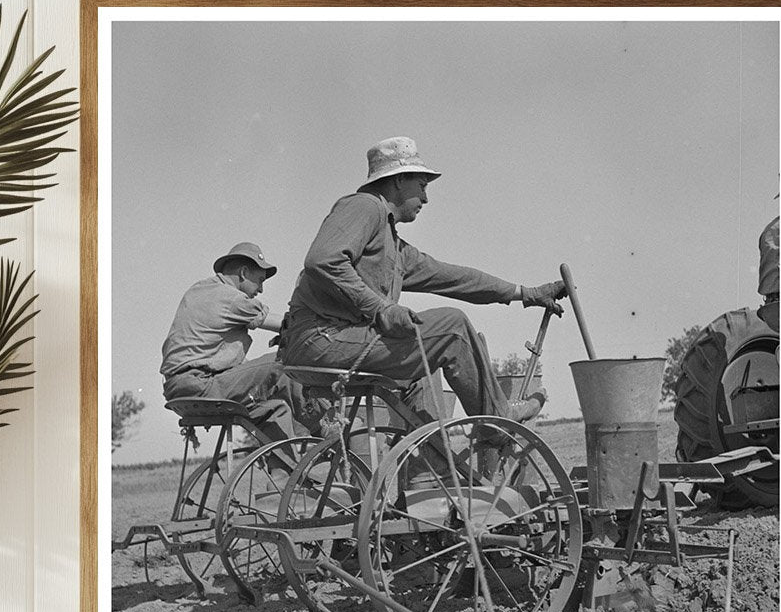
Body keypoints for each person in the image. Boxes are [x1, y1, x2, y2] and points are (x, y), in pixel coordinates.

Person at [280, 137, 567, 425]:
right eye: (422, 186)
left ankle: (428, 468)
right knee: (453, 327)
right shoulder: (365, 207)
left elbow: (453, 277)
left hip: (325, 344)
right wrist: (381, 308)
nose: (426, 199)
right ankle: (497, 422)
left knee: (421, 372)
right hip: (321, 342)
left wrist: (526, 293)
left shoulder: (393, 246)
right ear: (398, 180)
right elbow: (322, 260)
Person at [160, 242, 308, 426]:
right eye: (260, 280)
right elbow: (289, 325)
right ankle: (332, 432)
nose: (261, 289)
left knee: (275, 410)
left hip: (179, 389)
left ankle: (288, 455)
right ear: (244, 273)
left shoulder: (199, 290)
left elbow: (214, 355)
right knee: (286, 364)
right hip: (201, 385)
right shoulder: (230, 297)